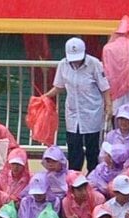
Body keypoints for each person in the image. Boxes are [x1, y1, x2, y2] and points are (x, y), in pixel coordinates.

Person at [44, 37, 111, 172]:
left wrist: (109, 106)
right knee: (74, 148)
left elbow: (105, 87)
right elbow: (59, 86)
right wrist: (44, 97)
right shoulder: (63, 65)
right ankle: (74, 178)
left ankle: (93, 178)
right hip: (73, 112)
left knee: (93, 150)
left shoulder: (94, 64)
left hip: (92, 111)